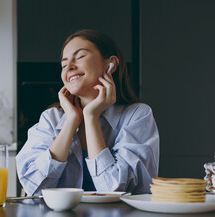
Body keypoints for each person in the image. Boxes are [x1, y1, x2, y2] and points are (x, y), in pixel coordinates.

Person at [16, 29, 159, 196]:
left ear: (110, 64)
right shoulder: (51, 119)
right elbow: (34, 189)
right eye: (63, 64)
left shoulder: (137, 116)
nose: (69, 67)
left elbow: (115, 190)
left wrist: (91, 117)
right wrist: (71, 122)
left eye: (80, 56)